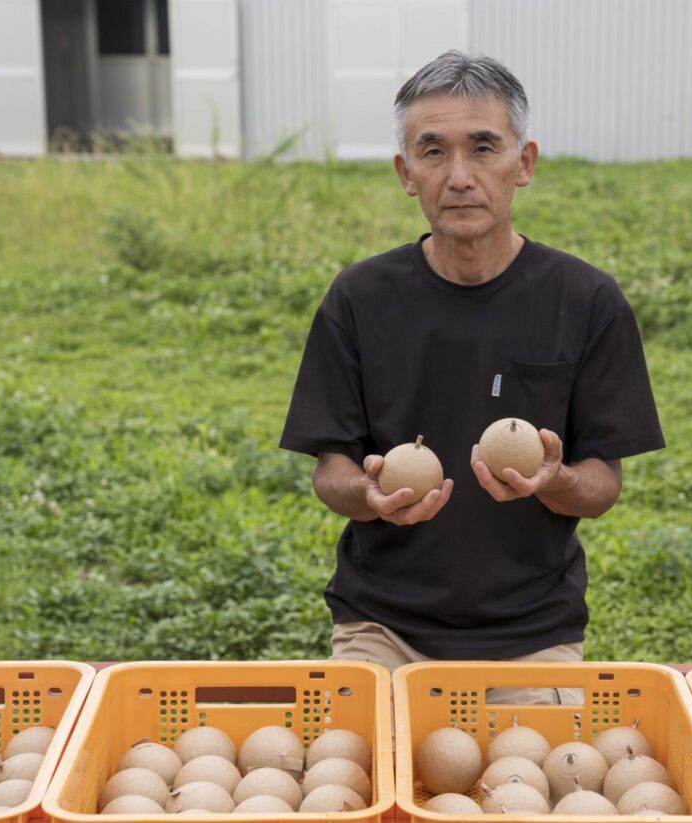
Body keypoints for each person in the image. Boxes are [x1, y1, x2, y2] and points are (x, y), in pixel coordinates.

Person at [279, 51, 664, 704]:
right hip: (382, 626)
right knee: (350, 783)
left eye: (483, 147)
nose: (459, 176)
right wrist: (368, 495)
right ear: (406, 172)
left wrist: (554, 479)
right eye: (433, 152)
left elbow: (600, 485)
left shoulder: (586, 300)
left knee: (533, 795)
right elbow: (330, 471)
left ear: (524, 163)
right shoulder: (359, 297)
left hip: (531, 630)